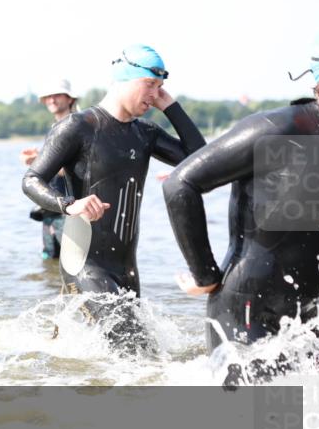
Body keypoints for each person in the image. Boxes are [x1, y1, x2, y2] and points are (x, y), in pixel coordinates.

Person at [23, 44, 206, 351]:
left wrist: (171, 106)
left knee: (137, 354)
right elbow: (31, 180)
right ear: (124, 79)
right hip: (85, 264)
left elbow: (200, 158)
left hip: (127, 269)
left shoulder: (145, 133)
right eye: (149, 84)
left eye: (160, 88)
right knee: (134, 352)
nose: (154, 95)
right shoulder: (78, 127)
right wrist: (70, 204)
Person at [163, 34, 319, 383]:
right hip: (248, 309)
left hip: (307, 317)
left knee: (304, 416)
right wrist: (205, 275)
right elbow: (180, 184)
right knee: (253, 416)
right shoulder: (276, 129)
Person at [21, 79, 77, 260]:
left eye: (57, 95)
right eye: (48, 96)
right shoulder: (55, 128)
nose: (52, 100)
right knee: (49, 260)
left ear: (70, 99)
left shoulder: (77, 127)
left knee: (73, 261)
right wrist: (38, 159)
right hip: (50, 205)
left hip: (71, 207)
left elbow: (79, 170)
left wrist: (38, 162)